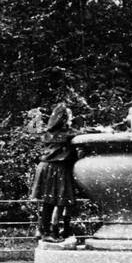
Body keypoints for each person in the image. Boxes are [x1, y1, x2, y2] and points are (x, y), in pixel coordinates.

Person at [29, 103, 77, 242]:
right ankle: (46, 233)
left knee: (48, 202)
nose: (71, 118)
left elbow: (31, 130)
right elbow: (81, 133)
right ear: (63, 118)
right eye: (69, 116)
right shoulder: (66, 134)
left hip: (46, 167)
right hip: (55, 168)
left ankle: (42, 230)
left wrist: (36, 117)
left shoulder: (48, 133)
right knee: (52, 202)